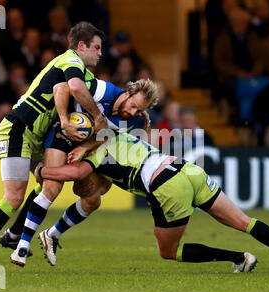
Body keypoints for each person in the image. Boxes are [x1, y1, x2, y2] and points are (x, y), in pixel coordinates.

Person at [35, 132, 269, 272]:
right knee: (244, 221)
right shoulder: (119, 136)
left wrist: (41, 170)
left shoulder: (95, 157)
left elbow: (76, 173)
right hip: (187, 169)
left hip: (166, 186)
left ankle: (239, 258)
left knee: (168, 251)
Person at [0, 21, 108, 272]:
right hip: (18, 128)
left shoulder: (84, 73)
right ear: (81, 46)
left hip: (37, 136)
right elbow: (73, 88)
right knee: (14, 196)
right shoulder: (70, 61)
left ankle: (13, 235)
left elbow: (92, 91)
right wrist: (98, 118)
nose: (100, 53)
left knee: (49, 184)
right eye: (96, 47)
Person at [8, 78, 158, 266]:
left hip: (84, 145)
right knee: (52, 189)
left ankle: (52, 234)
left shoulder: (131, 119)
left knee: (93, 199)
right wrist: (64, 120)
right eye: (133, 106)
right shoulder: (102, 90)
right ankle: (22, 246)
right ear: (127, 94)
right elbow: (61, 86)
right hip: (63, 134)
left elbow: (107, 136)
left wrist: (84, 147)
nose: (133, 112)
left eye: (139, 110)